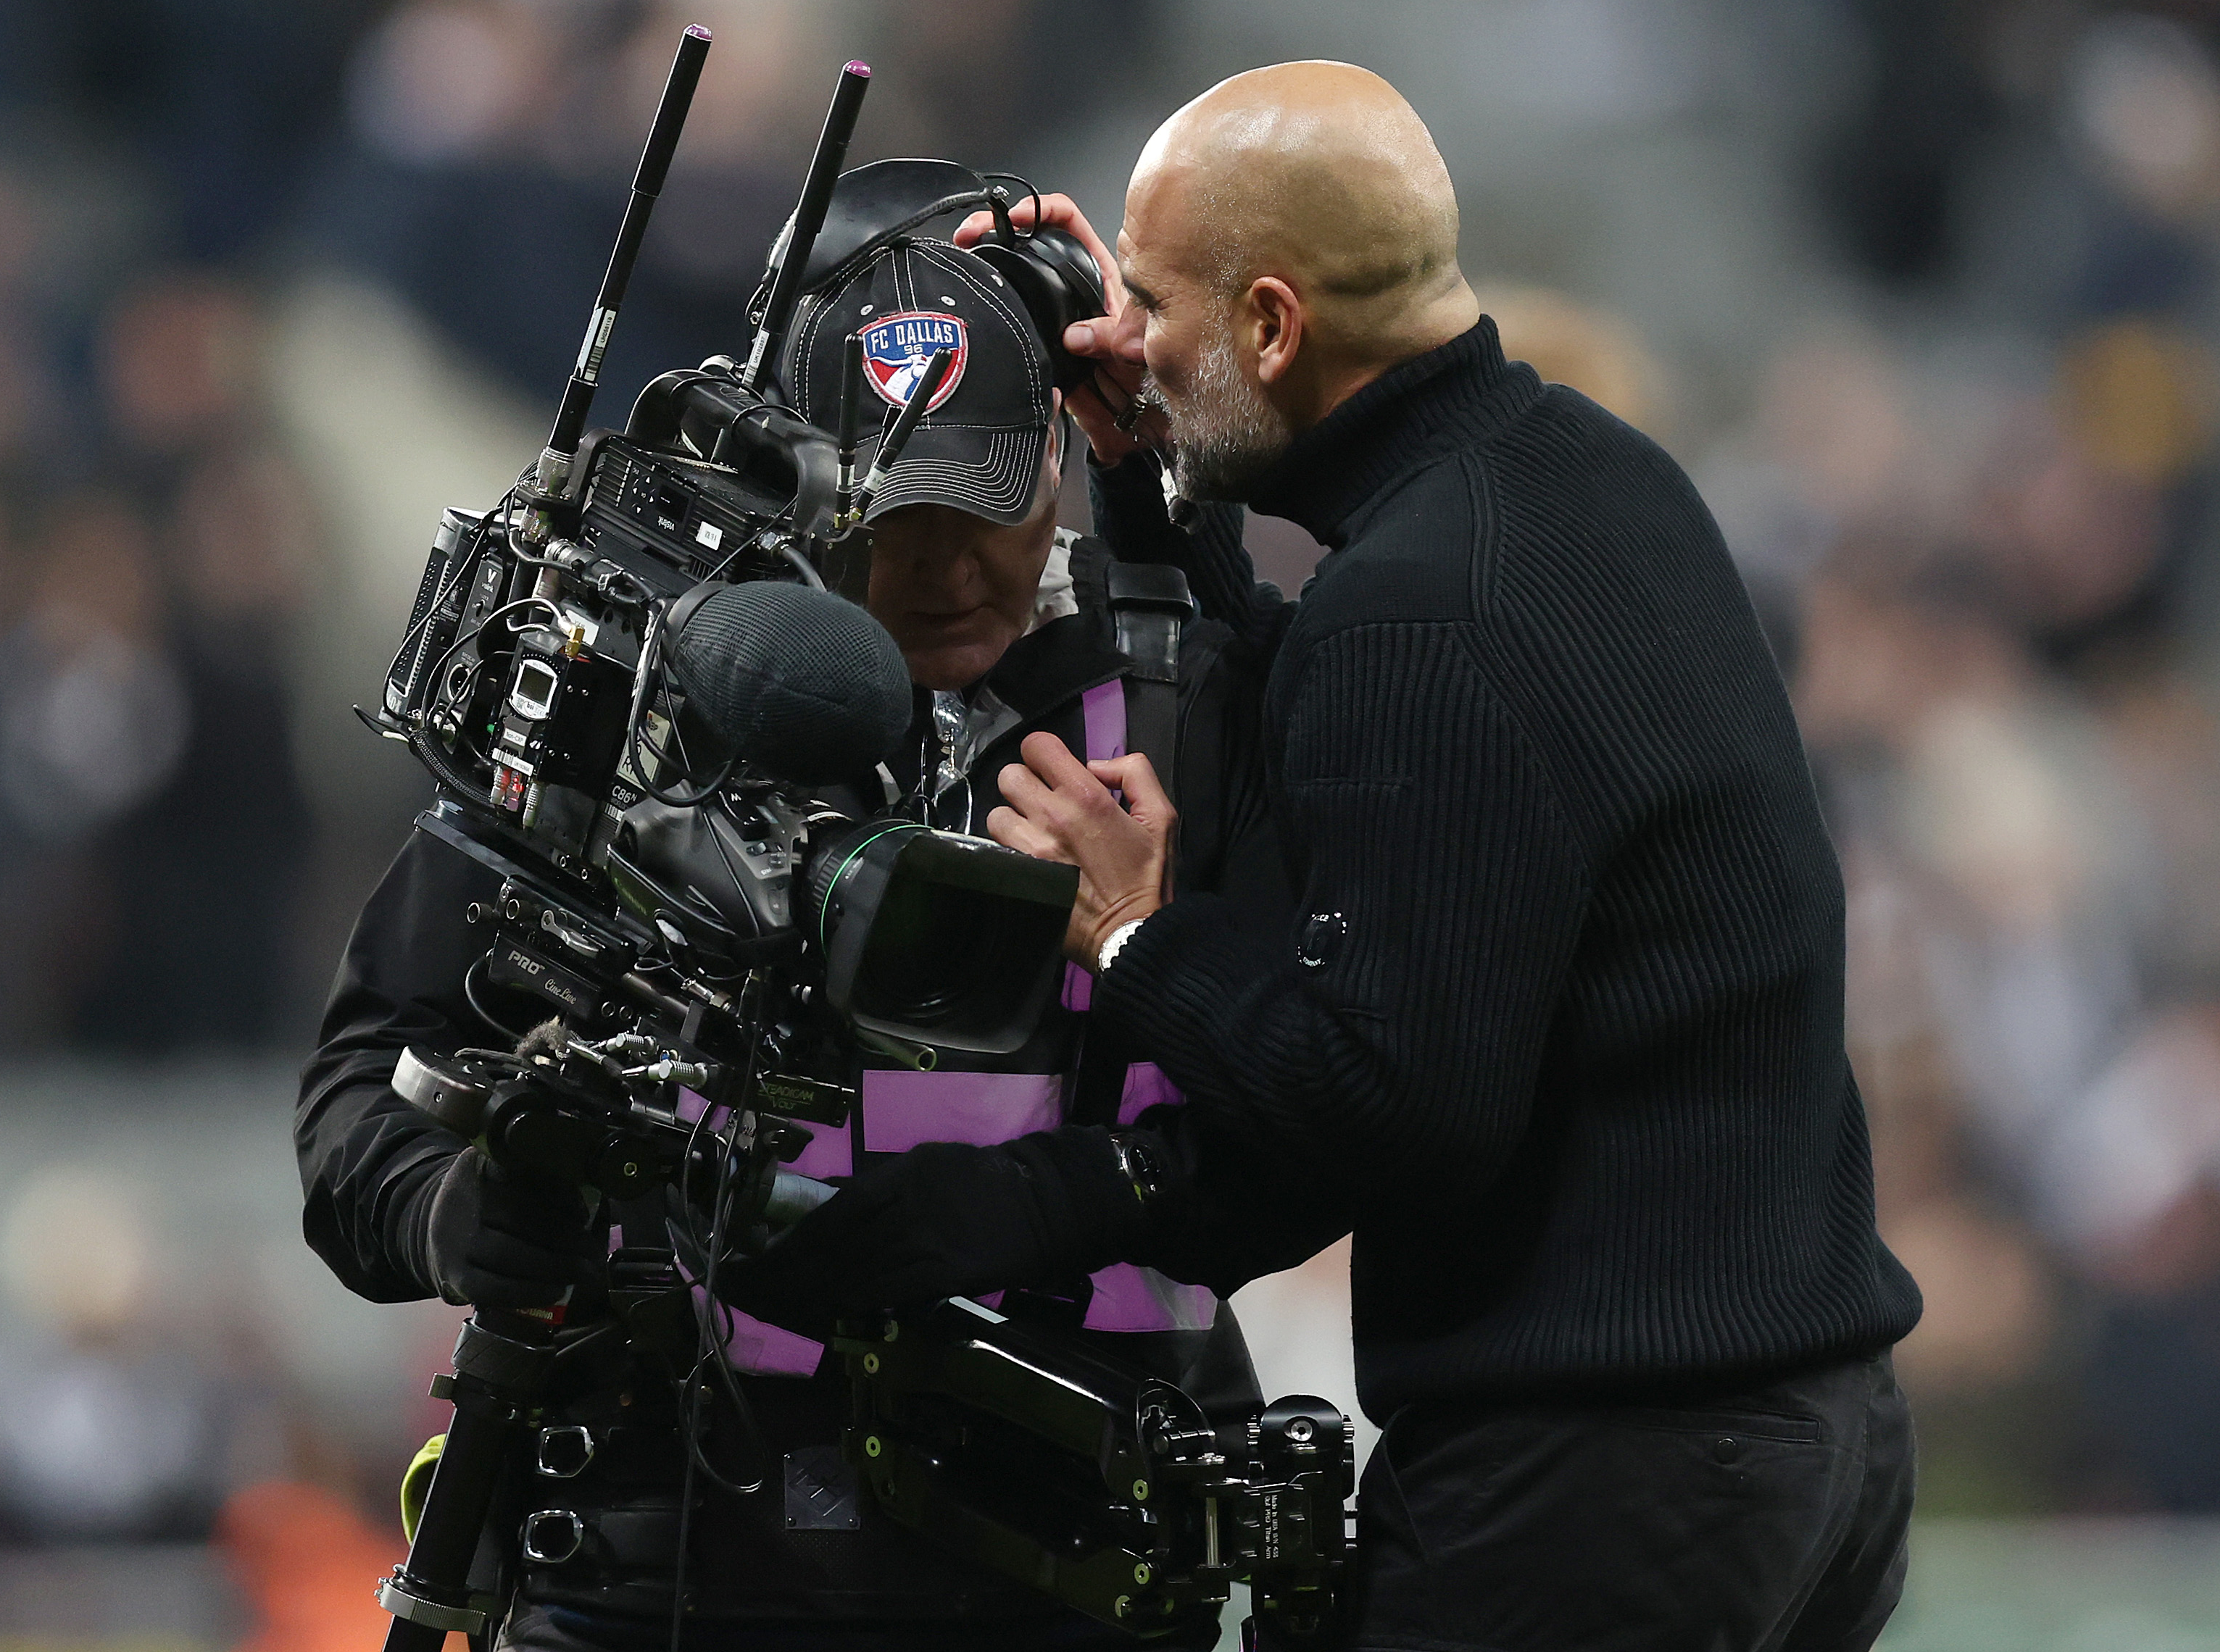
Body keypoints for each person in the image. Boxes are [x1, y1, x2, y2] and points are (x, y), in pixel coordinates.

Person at [756, 61, 1927, 1652]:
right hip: (1809, 1442)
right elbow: (1402, 756)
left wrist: (1131, 934)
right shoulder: (1584, 475)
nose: (1128, 346)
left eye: (1157, 305)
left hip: (1602, 1478)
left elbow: (1398, 1103)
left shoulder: (1419, 605)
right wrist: (1151, 500)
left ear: (1271, 330)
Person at [295, 231, 1277, 1652]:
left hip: (1074, 1565)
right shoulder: (614, 708)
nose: (940, 572)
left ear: (1054, 468)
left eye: (980, 513)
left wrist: (1090, 1071)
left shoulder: (1181, 689)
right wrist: (451, 1214)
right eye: (892, 522)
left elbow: (1329, 1115)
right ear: (798, 494)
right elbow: (354, 1105)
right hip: (656, 1553)